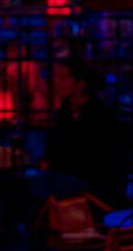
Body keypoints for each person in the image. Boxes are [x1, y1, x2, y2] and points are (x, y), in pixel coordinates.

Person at [38, 61, 128, 204]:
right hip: (68, 181)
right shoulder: (63, 112)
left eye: (62, 77)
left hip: (93, 187)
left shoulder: (99, 114)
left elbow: (93, 159)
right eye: (54, 76)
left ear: (80, 84)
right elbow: (52, 151)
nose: (55, 81)